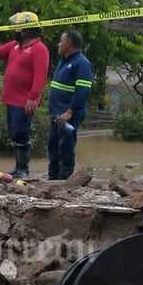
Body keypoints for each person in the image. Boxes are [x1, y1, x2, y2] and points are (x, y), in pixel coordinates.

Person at [0, 12, 50, 179]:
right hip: (11, 98)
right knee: (14, 133)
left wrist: (33, 97)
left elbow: (40, 76)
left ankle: (23, 168)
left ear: (24, 31)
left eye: (18, 28)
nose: (15, 30)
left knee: (21, 133)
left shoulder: (39, 50)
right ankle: (18, 167)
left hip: (24, 100)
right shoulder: (15, 45)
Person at [48, 30, 94, 180]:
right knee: (53, 146)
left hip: (68, 114)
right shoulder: (63, 60)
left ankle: (64, 180)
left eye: (61, 41)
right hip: (56, 113)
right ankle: (53, 178)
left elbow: (83, 91)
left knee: (66, 147)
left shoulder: (82, 64)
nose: (58, 44)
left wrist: (70, 112)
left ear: (68, 44)